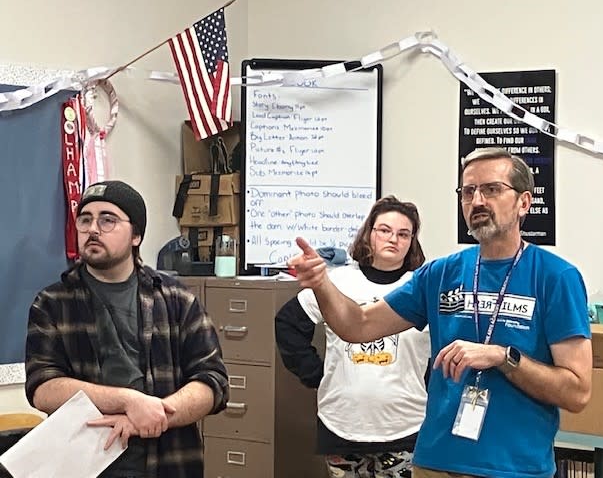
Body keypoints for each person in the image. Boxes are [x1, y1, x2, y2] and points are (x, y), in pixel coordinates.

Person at [289, 148, 592, 478]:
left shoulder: (555, 277)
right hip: (436, 462)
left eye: (491, 189)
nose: (477, 201)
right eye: (468, 191)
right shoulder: (440, 274)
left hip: (515, 467)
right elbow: (358, 325)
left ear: (524, 202)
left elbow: (577, 392)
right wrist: (322, 283)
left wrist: (503, 357)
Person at [25, 180, 229, 478]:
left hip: (168, 462)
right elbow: (43, 389)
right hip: (85, 464)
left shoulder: (177, 300)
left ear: (136, 235)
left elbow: (213, 382)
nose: (93, 229)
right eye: (85, 220)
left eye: (107, 220)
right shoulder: (53, 303)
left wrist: (153, 415)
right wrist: (128, 400)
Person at [276, 196, 430, 478]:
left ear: (412, 242)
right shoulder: (338, 281)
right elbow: (288, 323)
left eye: (403, 234)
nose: (393, 239)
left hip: (404, 426)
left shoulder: (422, 286)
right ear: (369, 233)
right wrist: (317, 374)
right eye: (384, 230)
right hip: (342, 423)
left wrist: (425, 383)